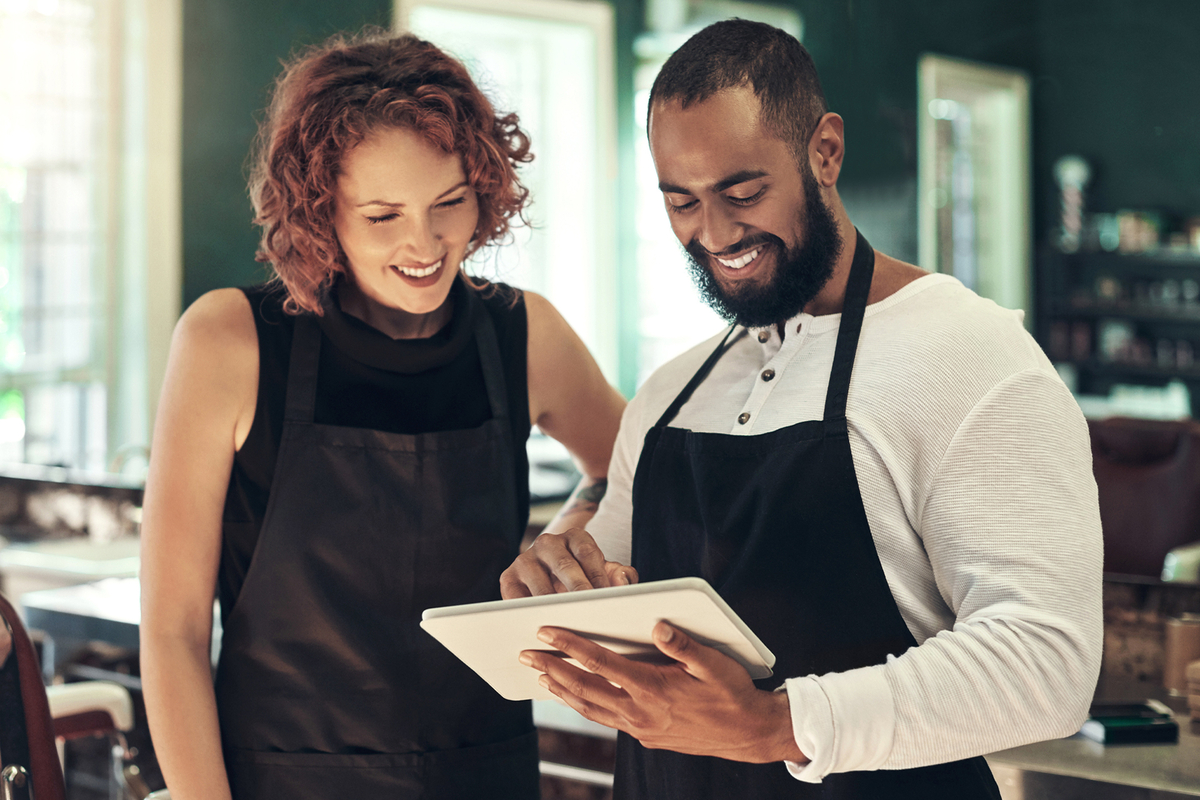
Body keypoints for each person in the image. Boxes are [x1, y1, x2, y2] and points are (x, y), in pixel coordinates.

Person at [501, 19, 1103, 800]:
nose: (713, 233)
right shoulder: (671, 392)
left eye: (742, 192)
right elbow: (602, 595)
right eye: (680, 201)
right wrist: (551, 576)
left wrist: (772, 724)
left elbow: (1045, 662)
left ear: (825, 151)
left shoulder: (972, 358)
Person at [139, 29, 626, 800]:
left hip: (486, 774)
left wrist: (565, 540)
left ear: (484, 188)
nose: (424, 243)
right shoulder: (229, 341)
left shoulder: (525, 336)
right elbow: (172, 635)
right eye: (381, 215)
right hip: (282, 780)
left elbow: (629, 466)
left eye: (450, 203)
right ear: (319, 208)